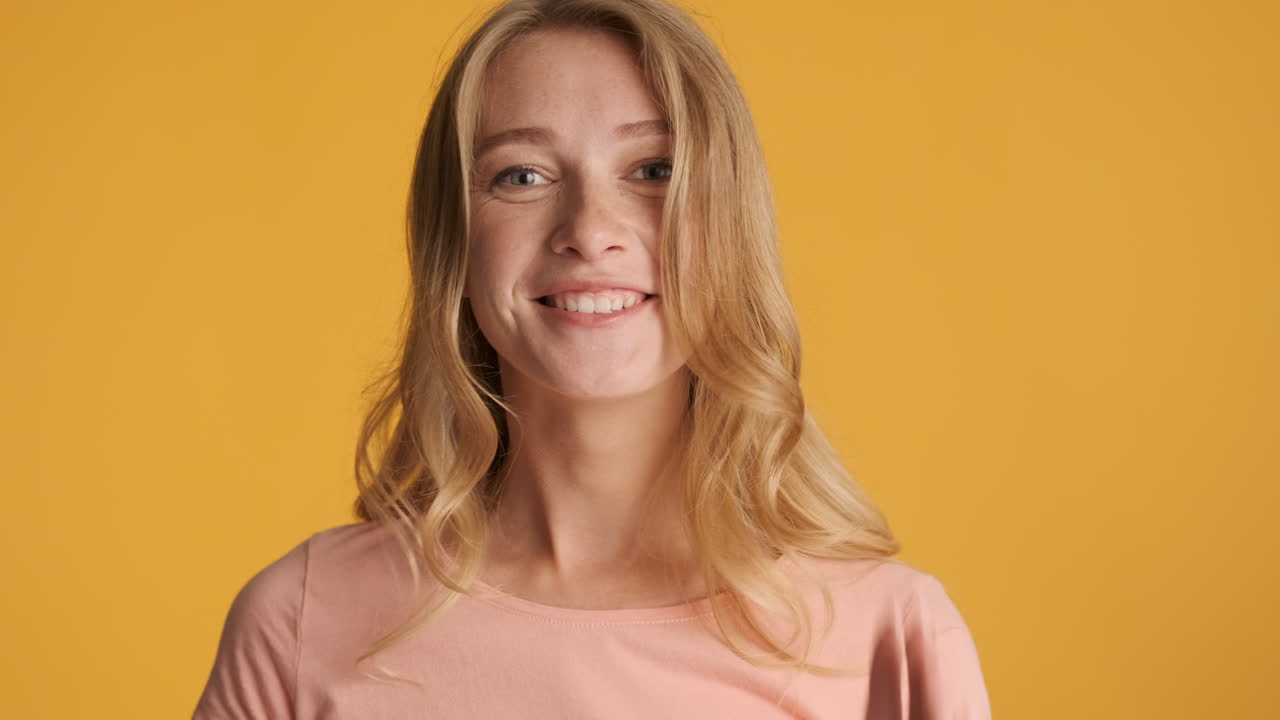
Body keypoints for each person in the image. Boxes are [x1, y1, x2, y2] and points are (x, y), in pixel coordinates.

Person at [192, 0, 992, 717]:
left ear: (732, 227)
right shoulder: (301, 621)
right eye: (522, 175)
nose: (589, 230)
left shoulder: (888, 638)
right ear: (453, 243)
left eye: (654, 170)